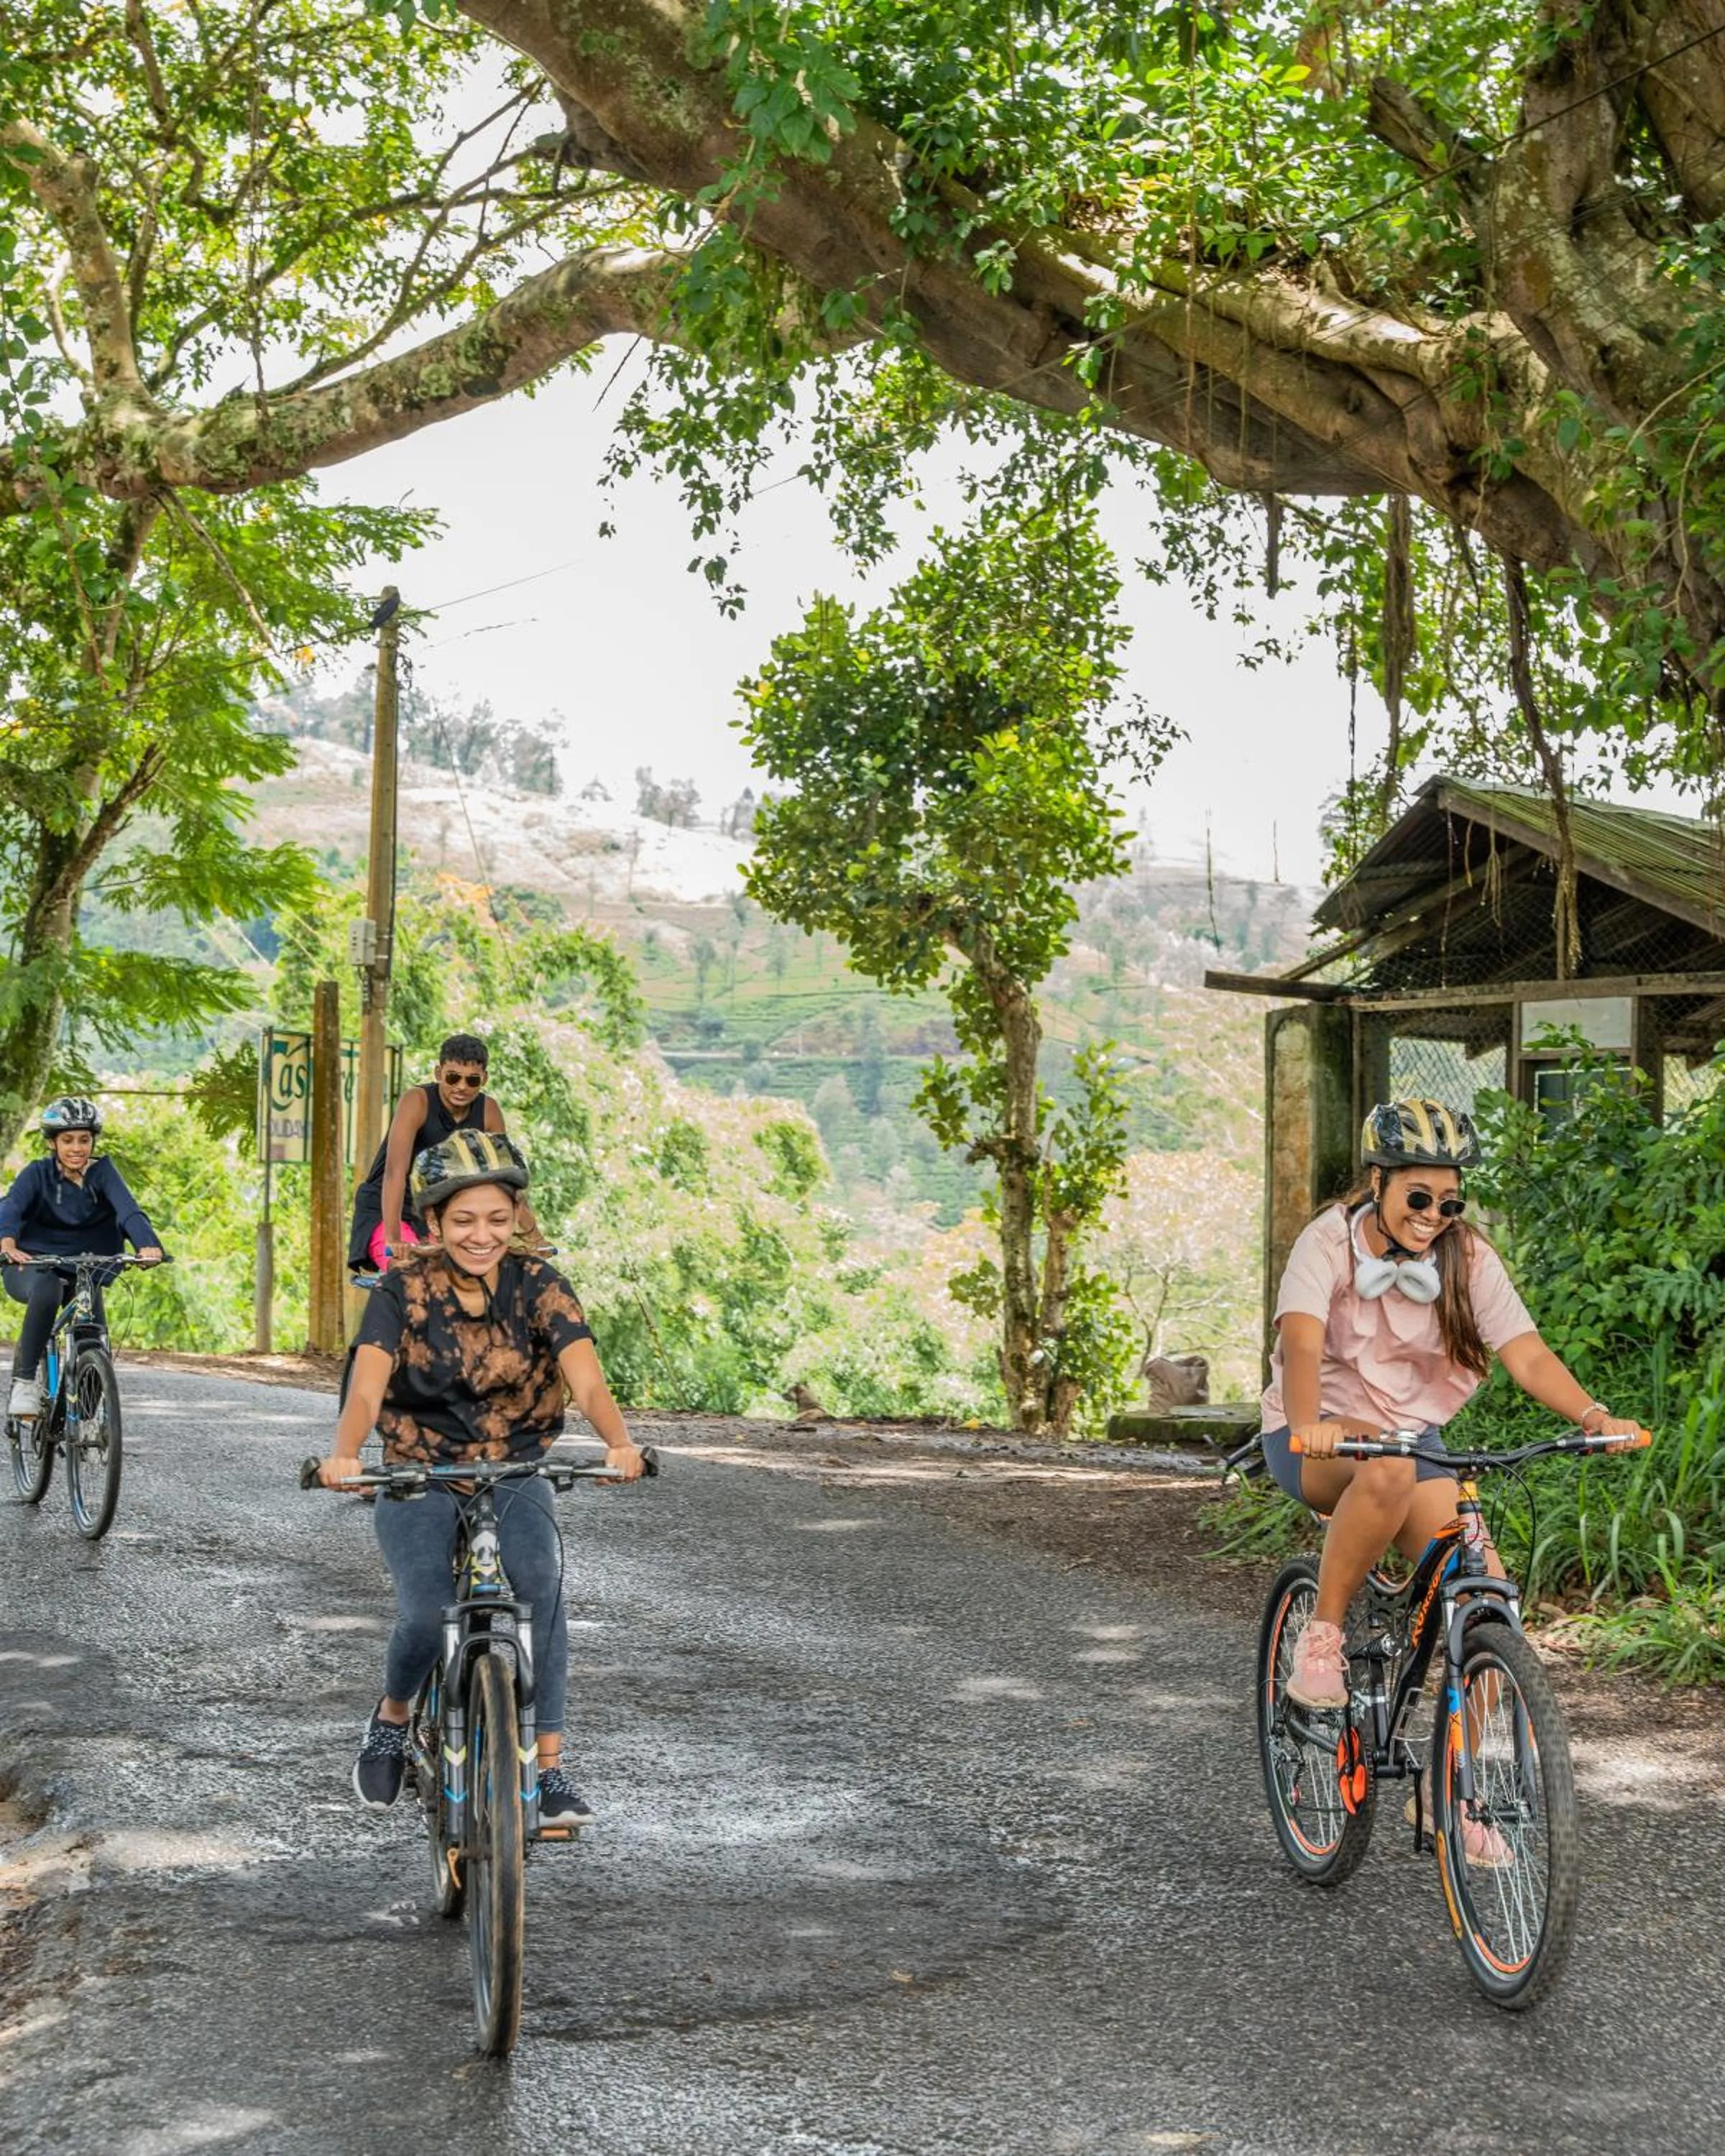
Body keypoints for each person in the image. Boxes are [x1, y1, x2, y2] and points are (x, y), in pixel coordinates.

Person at [1260, 1097, 1643, 1735]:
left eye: (1449, 1202)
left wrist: (1593, 1416)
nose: (1433, 1216)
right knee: (1386, 1471)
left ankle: (1451, 1804)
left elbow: (1526, 1352)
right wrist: (1309, 1424)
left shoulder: (1465, 1257)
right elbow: (1301, 1342)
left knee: (1491, 1608)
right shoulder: (1327, 1241)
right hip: (1315, 1431)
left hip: (1414, 1439)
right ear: (1378, 1182)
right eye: (1418, 1198)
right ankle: (1321, 1641)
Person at [316, 1127, 644, 1828]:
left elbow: (585, 1381)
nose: (481, 1234)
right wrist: (345, 1453)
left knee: (540, 1579)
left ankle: (547, 1772)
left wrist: (620, 1443)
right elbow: (368, 1389)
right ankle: (393, 1718)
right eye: (463, 1220)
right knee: (428, 1611)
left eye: (497, 1218)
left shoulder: (543, 1287)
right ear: (433, 1222)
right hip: (419, 1469)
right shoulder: (402, 1289)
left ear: (517, 1218)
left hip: (515, 1465)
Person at [0, 1096, 166, 1419]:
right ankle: (24, 1383)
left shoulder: (103, 1173)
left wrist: (148, 1245)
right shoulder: (37, 1174)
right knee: (47, 1290)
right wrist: (6, 1243)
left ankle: (78, 1420)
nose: (77, 1148)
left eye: (84, 1139)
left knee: (93, 1341)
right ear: (52, 1143)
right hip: (32, 1263)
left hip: (84, 1265)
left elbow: (129, 1212)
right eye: (67, 1140)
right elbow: (11, 1208)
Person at [346, 1032, 544, 1275]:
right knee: (411, 1273)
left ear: (484, 1079)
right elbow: (394, 1173)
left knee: (478, 1276)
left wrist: (535, 1239)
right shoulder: (417, 1101)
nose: (461, 1087)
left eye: (472, 1081)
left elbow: (503, 1184)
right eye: (453, 1078)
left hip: (439, 1216)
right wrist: (393, 1238)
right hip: (388, 1211)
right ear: (439, 1073)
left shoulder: (488, 1111)